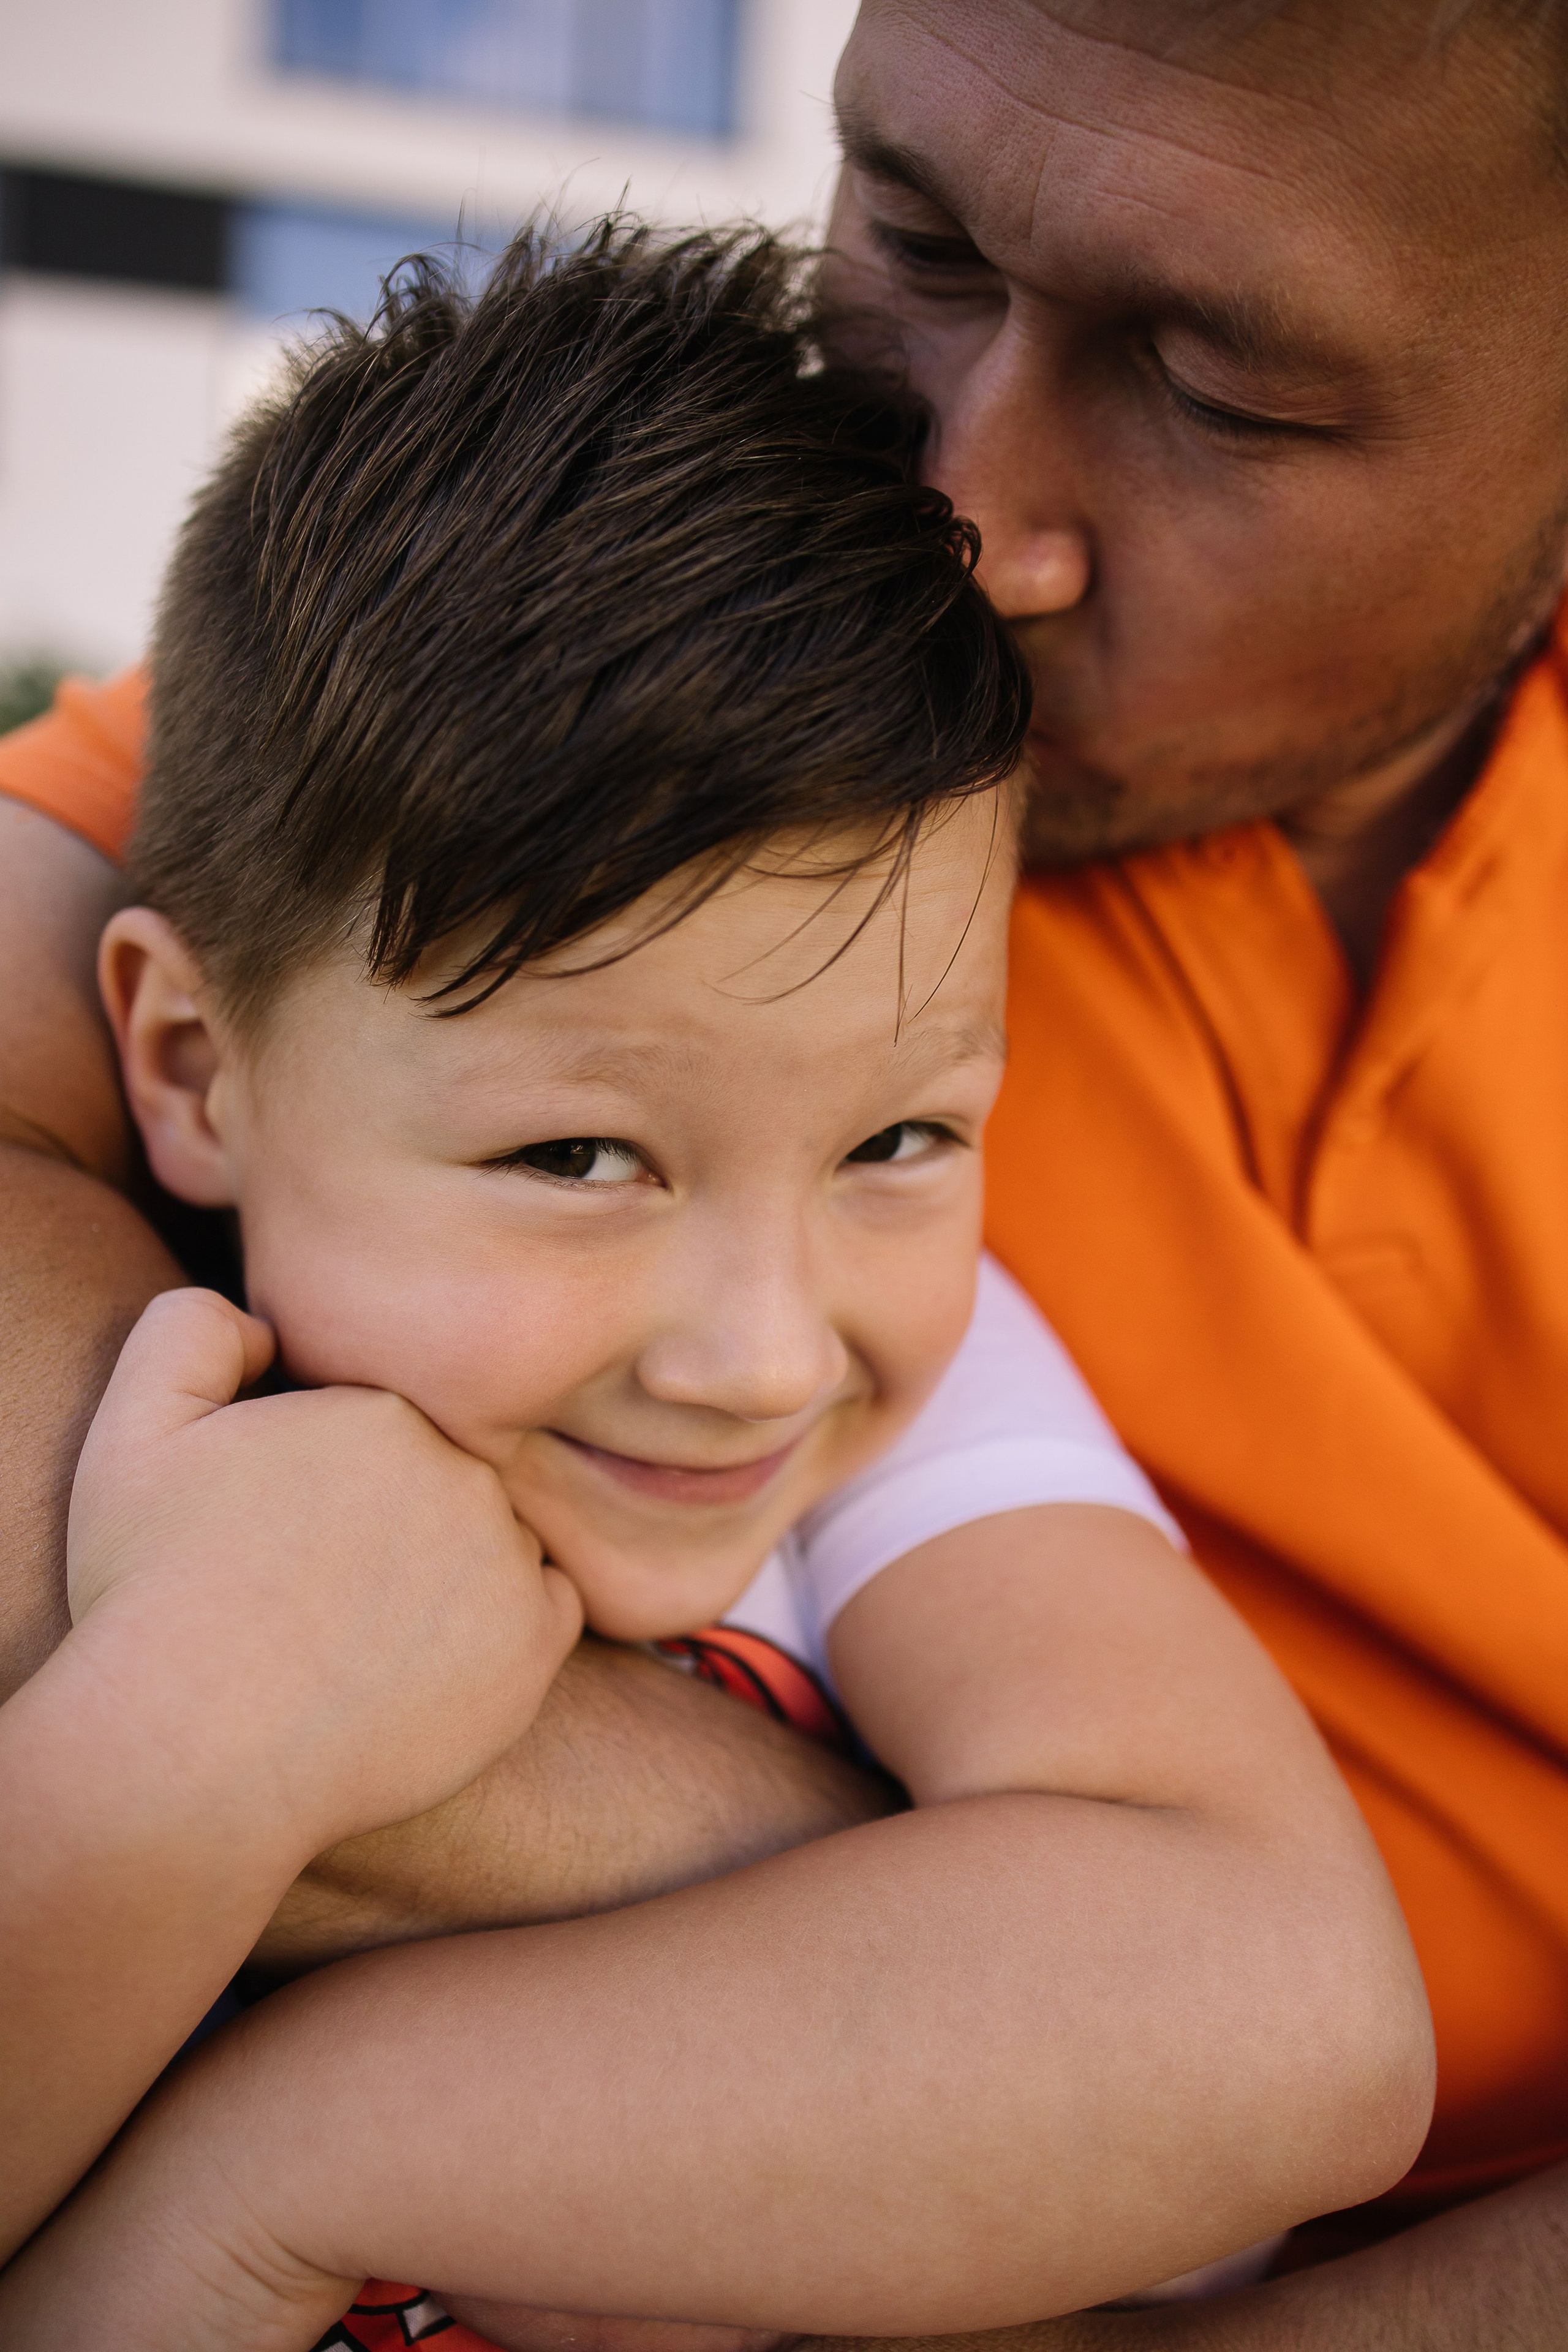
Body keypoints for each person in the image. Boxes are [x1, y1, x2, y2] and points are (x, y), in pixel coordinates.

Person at [4, 0, 1568, 2338]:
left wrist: (310, 2115)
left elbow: (1242, 2029)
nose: (967, 510)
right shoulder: (630, 688)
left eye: (1222, 393)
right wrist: (219, 1741)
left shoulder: (889, 1345)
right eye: (919, 243)